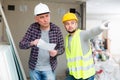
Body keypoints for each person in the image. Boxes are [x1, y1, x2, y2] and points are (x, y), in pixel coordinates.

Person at [19, 3, 64, 80]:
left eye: (47, 16)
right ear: (36, 19)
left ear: (50, 15)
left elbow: (62, 48)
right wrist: (32, 43)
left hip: (50, 69)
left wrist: (56, 52)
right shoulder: (32, 28)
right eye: (42, 17)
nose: (45, 20)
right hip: (34, 69)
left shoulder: (56, 29)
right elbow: (21, 45)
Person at [62, 12, 109, 80]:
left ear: (76, 24)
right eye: (67, 24)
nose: (70, 26)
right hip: (74, 74)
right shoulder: (67, 38)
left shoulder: (82, 34)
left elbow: (91, 32)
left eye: (72, 23)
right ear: (64, 26)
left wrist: (100, 28)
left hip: (86, 76)